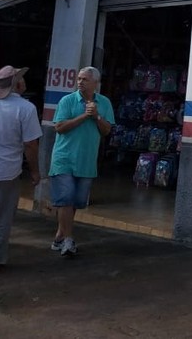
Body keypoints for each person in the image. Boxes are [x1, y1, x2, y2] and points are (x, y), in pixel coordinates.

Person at [49, 66, 115, 257]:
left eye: (85, 79)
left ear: (96, 83)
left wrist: (96, 117)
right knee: (66, 198)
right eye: (79, 79)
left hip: (86, 160)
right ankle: (68, 240)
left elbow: (106, 130)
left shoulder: (104, 103)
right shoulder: (67, 101)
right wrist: (83, 116)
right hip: (64, 158)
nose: (80, 82)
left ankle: (60, 235)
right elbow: (59, 127)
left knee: (76, 201)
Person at [0, 65, 42, 267]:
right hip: (7, 172)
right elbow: (30, 145)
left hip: (6, 171)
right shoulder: (25, 108)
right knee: (3, 217)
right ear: (18, 83)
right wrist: (35, 172)